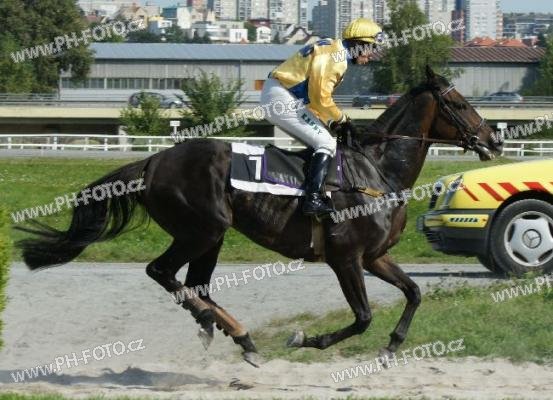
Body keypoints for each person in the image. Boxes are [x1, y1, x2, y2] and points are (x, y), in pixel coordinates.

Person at [260, 18, 382, 217]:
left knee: (323, 140)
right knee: (325, 142)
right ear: (359, 43)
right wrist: (342, 120)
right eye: (372, 48)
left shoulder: (335, 51)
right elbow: (319, 98)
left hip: (285, 95)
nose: (371, 55)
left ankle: (308, 190)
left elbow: (316, 101)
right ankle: (313, 199)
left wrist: (333, 122)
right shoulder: (336, 58)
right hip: (282, 96)